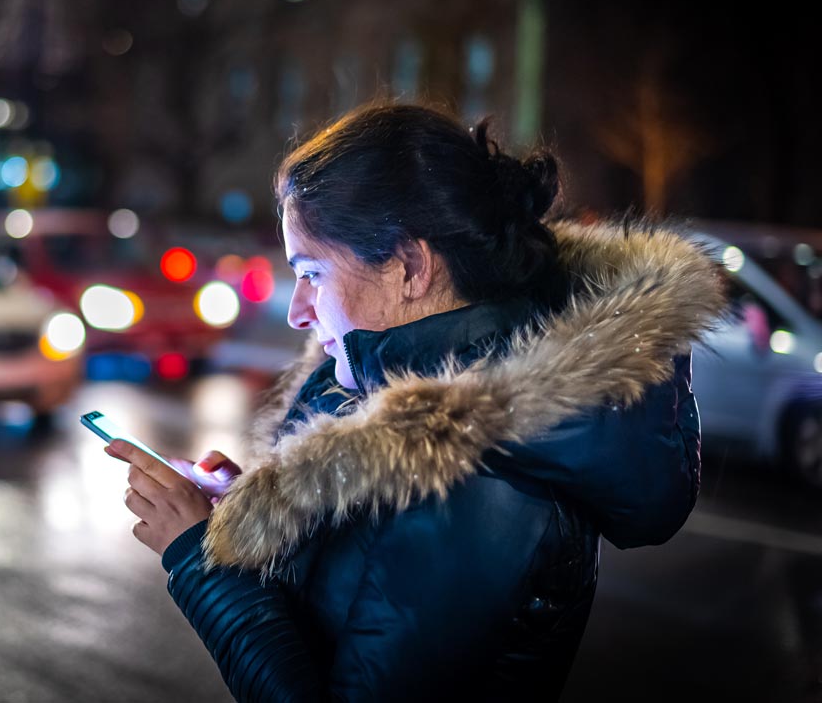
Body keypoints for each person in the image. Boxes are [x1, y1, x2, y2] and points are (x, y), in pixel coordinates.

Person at [104, 102, 728, 702]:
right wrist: (274, 511)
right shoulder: (412, 417)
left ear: (409, 265)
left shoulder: (478, 478)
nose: (298, 312)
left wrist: (197, 560)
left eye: (312, 273)